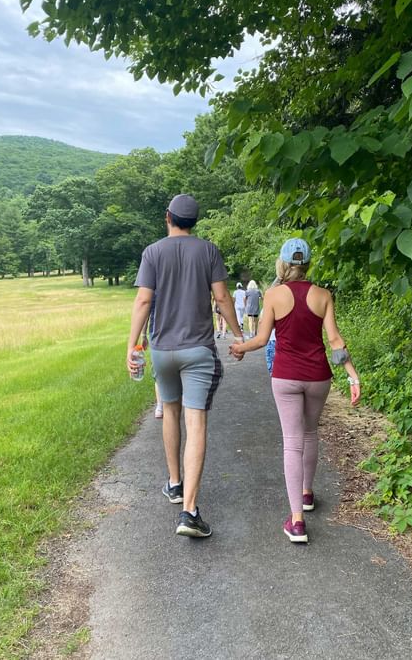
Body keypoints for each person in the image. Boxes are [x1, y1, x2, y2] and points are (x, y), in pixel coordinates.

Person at [127, 194, 244, 538]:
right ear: (195, 222)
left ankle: (175, 483)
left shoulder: (152, 252)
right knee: (197, 423)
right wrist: (238, 335)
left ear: (168, 217)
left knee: (170, 411)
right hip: (198, 351)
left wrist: (133, 344)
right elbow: (222, 298)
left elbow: (144, 299)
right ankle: (189, 512)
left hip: (163, 350)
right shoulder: (208, 250)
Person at [230, 237, 360, 544]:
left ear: (283, 264)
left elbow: (261, 340)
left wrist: (239, 348)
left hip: (286, 376)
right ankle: (307, 494)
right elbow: (336, 343)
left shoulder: (274, 295)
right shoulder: (323, 295)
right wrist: (353, 377)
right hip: (318, 376)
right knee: (310, 433)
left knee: (292, 441)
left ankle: (297, 521)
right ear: (308, 264)